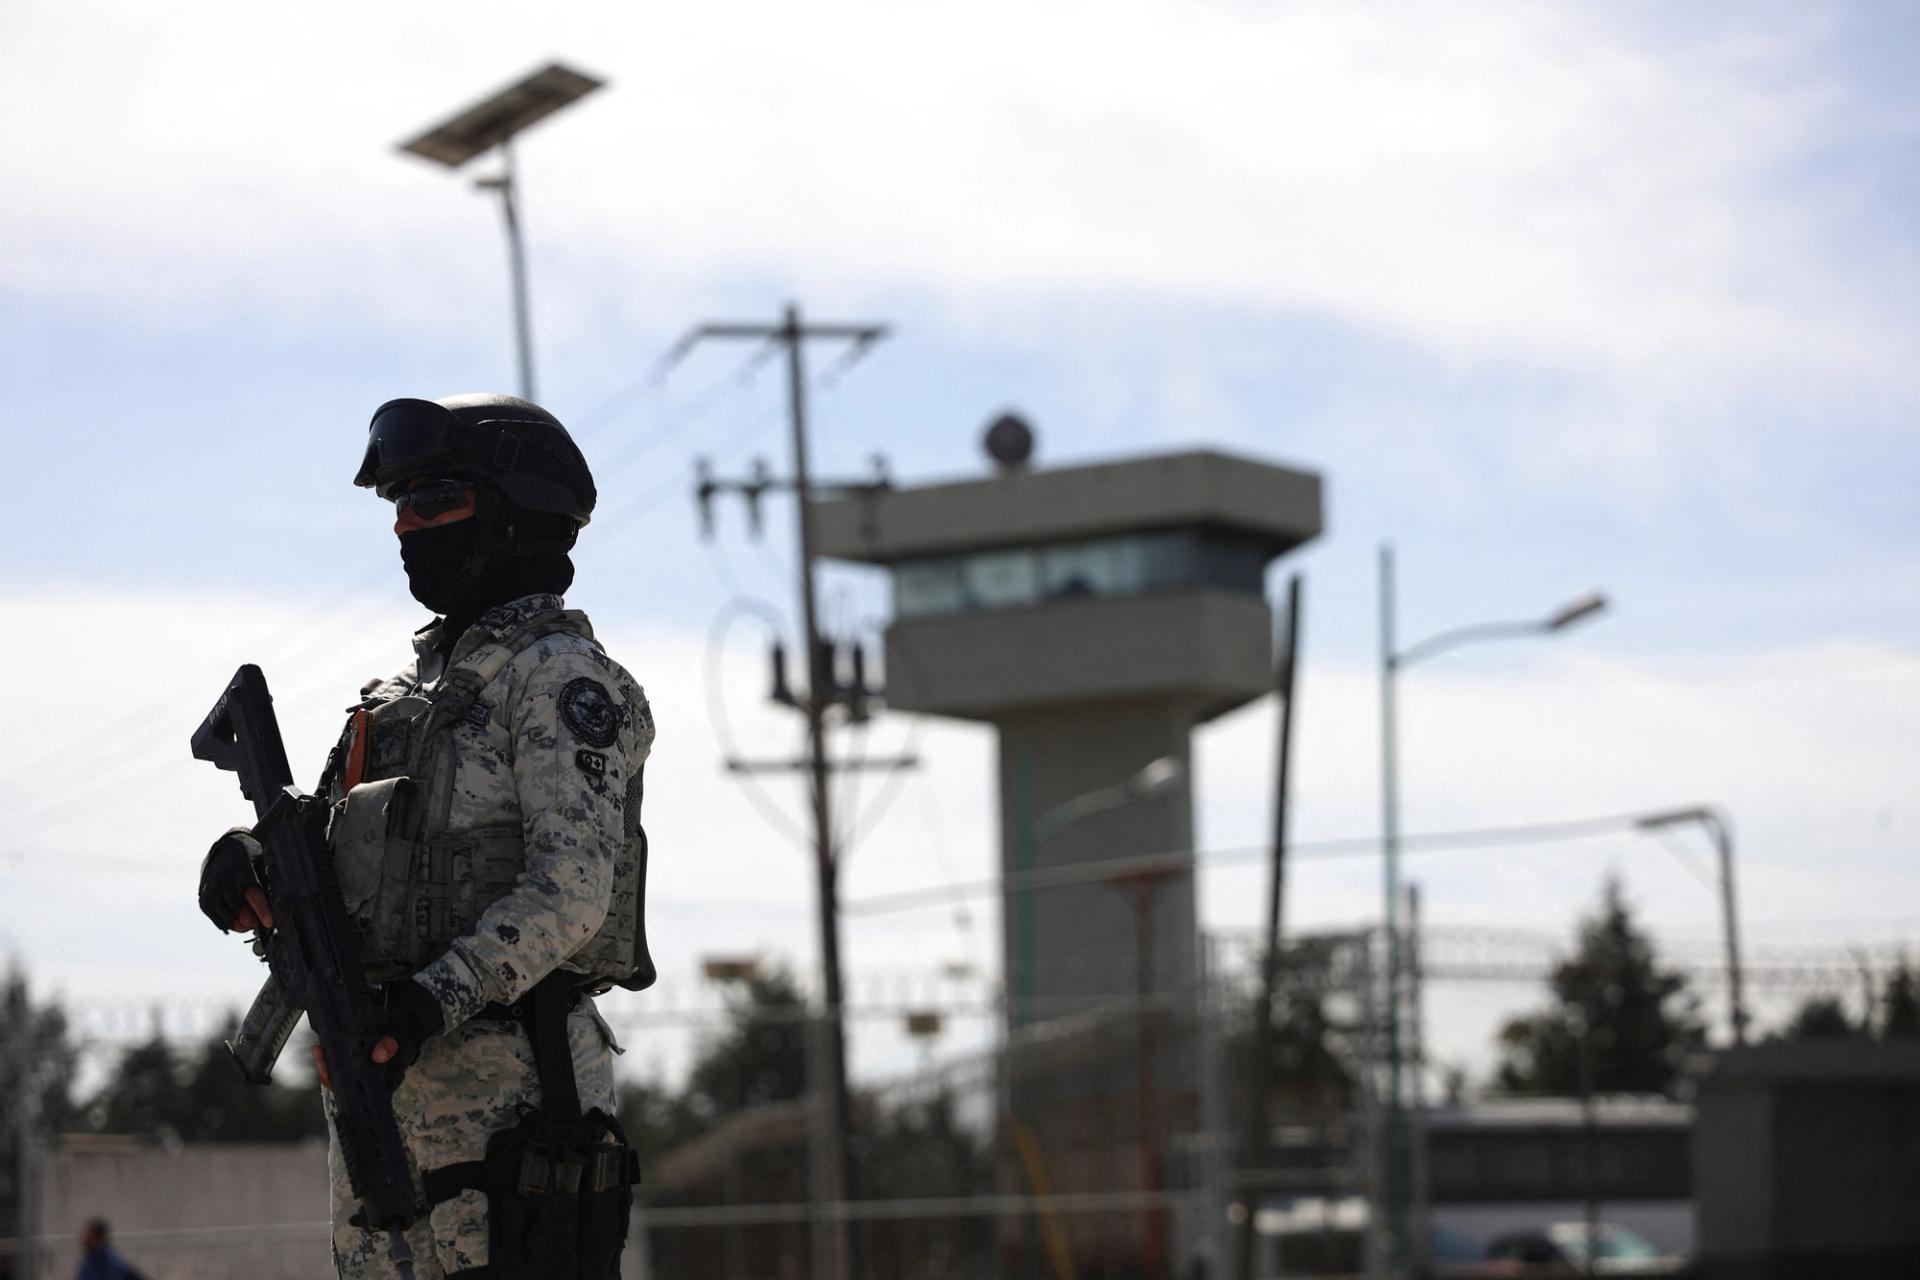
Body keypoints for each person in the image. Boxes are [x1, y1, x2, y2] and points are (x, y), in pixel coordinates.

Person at [197, 394, 656, 1279]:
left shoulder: (561, 680)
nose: (408, 527)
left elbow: (572, 888)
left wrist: (424, 1004)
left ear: (518, 512)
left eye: (434, 502)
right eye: (399, 507)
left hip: (514, 1108)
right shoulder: (402, 698)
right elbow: (336, 867)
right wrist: (250, 868)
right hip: (382, 1100)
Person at [77, 1219, 149, 1280]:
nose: (84, 1240)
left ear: (99, 1238)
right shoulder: (89, 1260)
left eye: (89, 1236)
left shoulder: (109, 1262)